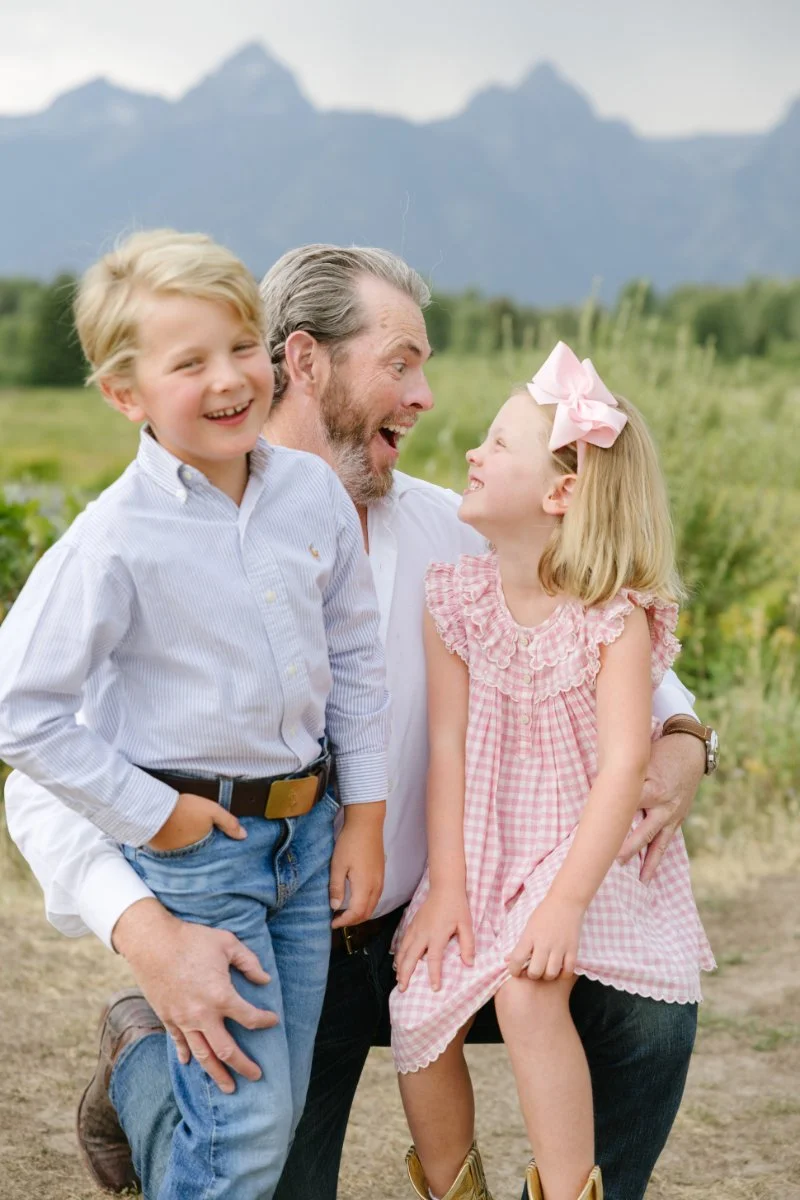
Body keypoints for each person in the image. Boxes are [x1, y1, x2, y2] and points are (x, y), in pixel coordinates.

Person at [4, 247, 718, 1200]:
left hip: (446, 921)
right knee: (253, 1162)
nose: (424, 398)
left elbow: (600, 635)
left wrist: (683, 742)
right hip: (279, 918)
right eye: (401, 362)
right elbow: (41, 773)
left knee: (647, 1014)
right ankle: (142, 1061)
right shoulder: (139, 544)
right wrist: (146, 935)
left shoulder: (461, 528)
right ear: (305, 362)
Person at [0, 231, 389, 1200]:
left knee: (269, 1108)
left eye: (240, 346)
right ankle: (147, 1070)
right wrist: (151, 817)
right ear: (125, 395)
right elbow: (20, 711)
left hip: (307, 845)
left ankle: (139, 1067)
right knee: (244, 1128)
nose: (227, 379)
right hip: (200, 852)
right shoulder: (113, 544)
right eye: (189, 363)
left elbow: (355, 655)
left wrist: (367, 816)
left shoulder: (310, 494)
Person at [390, 341, 715, 1200]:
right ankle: (455, 1188)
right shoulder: (454, 598)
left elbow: (621, 768)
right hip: (486, 856)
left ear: (561, 492)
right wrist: (450, 887)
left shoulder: (613, 618)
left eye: (498, 444)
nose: (473, 452)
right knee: (418, 999)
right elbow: (449, 748)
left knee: (532, 993)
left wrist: (565, 902)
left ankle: (571, 1190)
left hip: (584, 857)